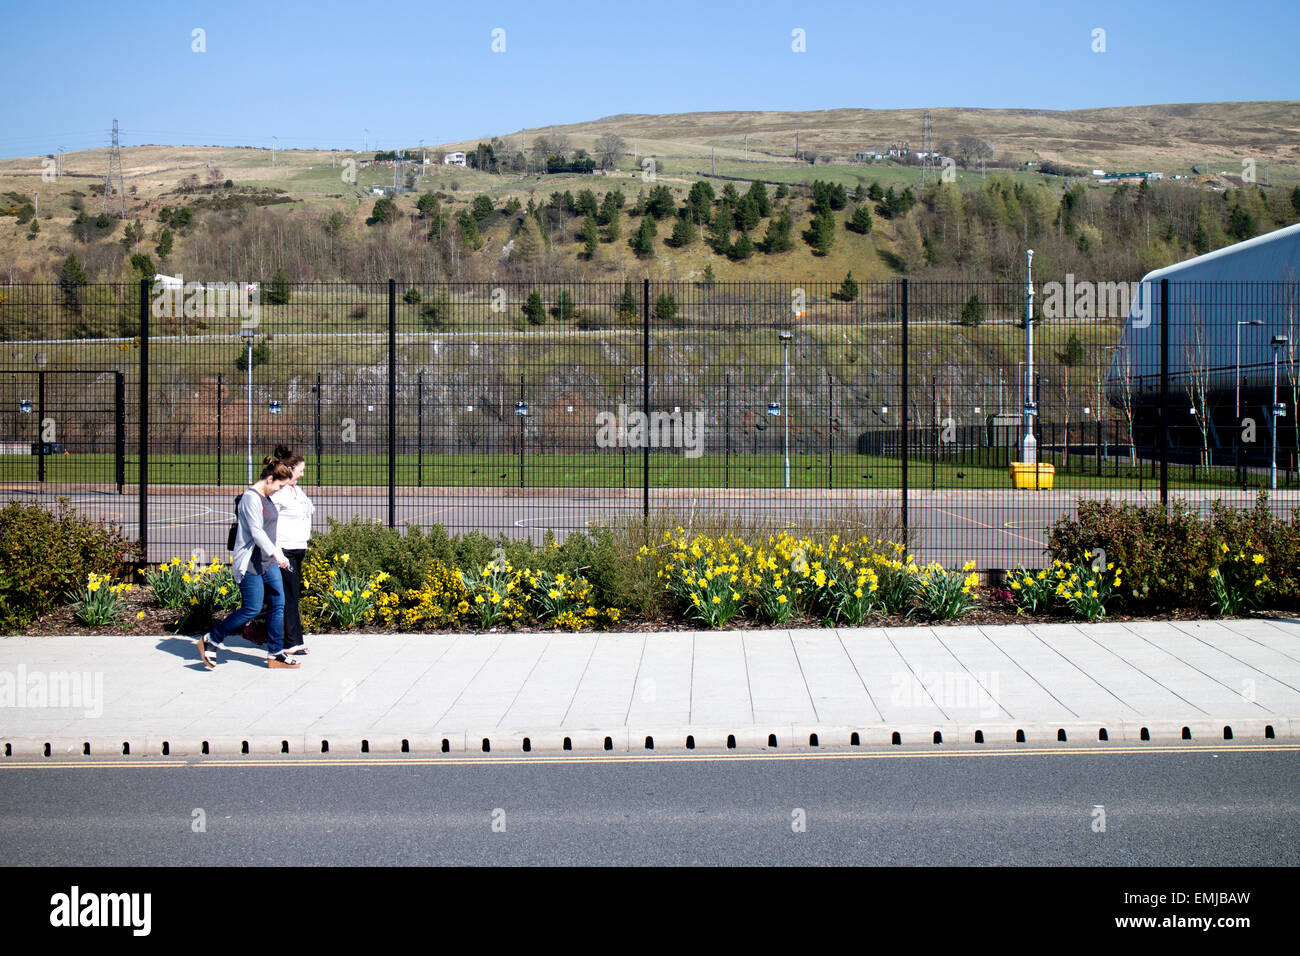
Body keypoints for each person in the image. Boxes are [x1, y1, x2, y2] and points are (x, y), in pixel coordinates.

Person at [194, 457, 297, 669]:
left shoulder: (267, 498)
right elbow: (257, 532)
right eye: (278, 486)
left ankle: (276, 652)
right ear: (269, 479)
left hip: (267, 562)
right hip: (251, 563)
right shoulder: (250, 499)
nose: (279, 491)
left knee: (278, 603)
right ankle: (212, 639)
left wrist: (278, 553)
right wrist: (276, 554)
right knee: (251, 608)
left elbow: (270, 532)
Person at [270, 445, 314, 655]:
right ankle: (290, 642)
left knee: (293, 595)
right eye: (300, 470)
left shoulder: (297, 490)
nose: (303, 473)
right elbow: (270, 522)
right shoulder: (280, 493)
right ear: (290, 469)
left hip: (298, 547)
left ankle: (294, 639)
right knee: (288, 596)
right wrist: (277, 551)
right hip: (285, 550)